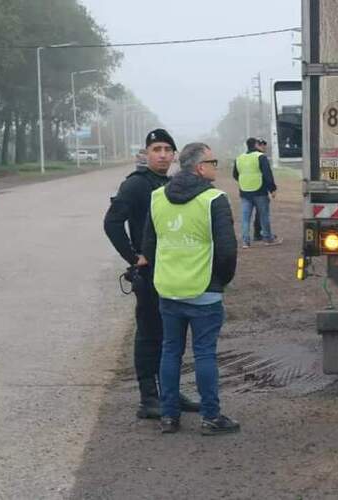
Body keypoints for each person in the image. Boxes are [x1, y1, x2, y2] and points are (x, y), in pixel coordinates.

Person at [142, 142, 239, 435]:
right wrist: (221, 280)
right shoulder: (213, 199)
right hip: (204, 289)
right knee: (205, 353)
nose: (215, 166)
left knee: (170, 352)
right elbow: (227, 250)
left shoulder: (158, 197)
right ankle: (211, 417)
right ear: (199, 167)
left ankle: (169, 416)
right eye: (212, 161)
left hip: (168, 288)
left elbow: (149, 244)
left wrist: (163, 276)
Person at [103, 128, 200, 419]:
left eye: (167, 150)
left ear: (174, 155)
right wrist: (135, 257)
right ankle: (149, 399)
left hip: (172, 272)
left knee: (172, 334)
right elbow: (112, 223)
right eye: (156, 149)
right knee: (148, 335)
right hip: (148, 274)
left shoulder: (170, 183)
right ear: (146, 154)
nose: (161, 154)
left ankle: (170, 390)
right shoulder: (136, 185)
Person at [233, 137, 282, 248]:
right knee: (264, 216)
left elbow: (235, 175)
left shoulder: (239, 158)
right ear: (256, 144)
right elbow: (267, 174)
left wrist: (244, 181)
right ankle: (267, 239)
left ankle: (245, 242)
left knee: (245, 218)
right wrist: (272, 189)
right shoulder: (260, 157)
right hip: (260, 192)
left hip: (245, 192)